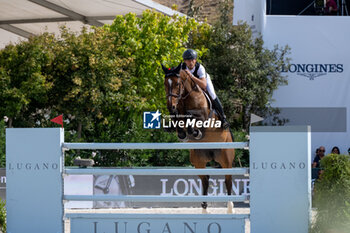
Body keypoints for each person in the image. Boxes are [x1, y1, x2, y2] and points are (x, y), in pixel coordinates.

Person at [181, 49, 230, 129]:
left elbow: (203, 85)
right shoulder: (182, 67)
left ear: (195, 60)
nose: (190, 62)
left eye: (192, 60)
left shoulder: (200, 68)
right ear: (185, 61)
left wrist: (191, 76)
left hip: (203, 81)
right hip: (191, 86)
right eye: (188, 60)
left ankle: (223, 119)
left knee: (212, 94)